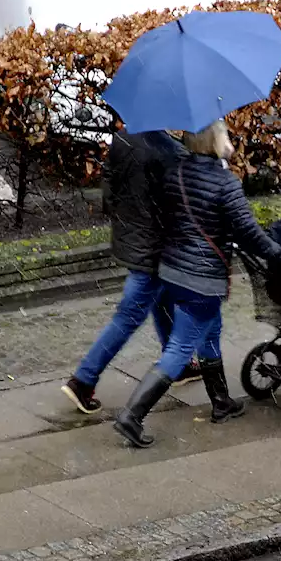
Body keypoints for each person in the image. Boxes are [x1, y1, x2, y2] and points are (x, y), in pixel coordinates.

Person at [113, 119, 281, 448]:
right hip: (201, 280)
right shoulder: (224, 183)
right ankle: (131, 416)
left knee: (210, 330)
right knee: (179, 349)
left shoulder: (175, 172)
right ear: (214, 142)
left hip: (174, 271)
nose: (229, 139)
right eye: (225, 135)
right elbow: (248, 232)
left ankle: (221, 402)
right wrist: (275, 252)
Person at [62, 129, 199, 415]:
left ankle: (180, 364)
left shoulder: (124, 139)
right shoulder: (171, 152)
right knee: (128, 317)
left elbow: (110, 189)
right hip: (156, 250)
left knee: (162, 299)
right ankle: (84, 380)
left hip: (134, 241)